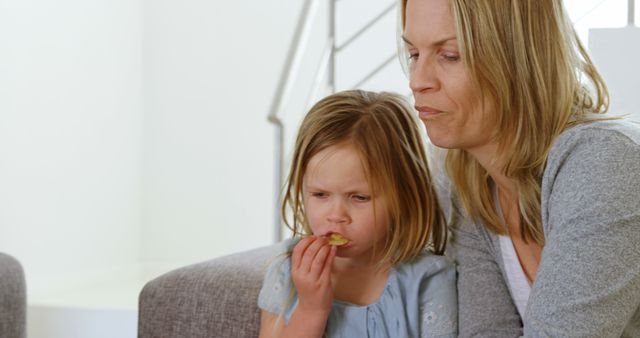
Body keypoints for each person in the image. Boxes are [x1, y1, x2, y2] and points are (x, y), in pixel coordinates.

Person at [400, 0, 640, 336]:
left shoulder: (606, 162)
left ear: (516, 57)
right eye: (413, 55)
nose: (418, 81)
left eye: (449, 55)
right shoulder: (463, 174)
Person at [257, 90, 457, 338]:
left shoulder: (428, 279)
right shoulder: (286, 272)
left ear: (404, 197)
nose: (336, 215)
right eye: (320, 195)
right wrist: (311, 310)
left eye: (359, 197)